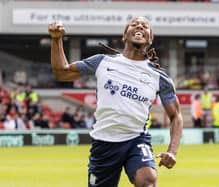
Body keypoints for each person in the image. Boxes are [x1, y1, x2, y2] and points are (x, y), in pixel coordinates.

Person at [48, 17, 183, 187]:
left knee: (148, 181)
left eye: (145, 26)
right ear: (124, 36)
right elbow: (62, 73)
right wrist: (56, 39)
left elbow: (176, 116)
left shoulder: (159, 77)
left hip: (136, 139)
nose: (140, 26)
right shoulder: (102, 62)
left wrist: (172, 151)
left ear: (150, 39)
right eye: (134, 24)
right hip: (104, 144)